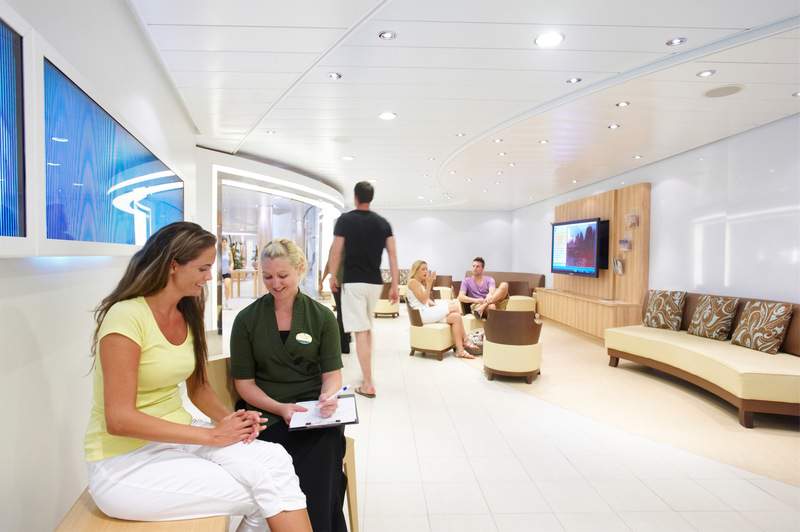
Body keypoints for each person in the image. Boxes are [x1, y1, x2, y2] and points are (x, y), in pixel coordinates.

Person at [84, 222, 311, 532]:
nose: (209, 277)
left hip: (177, 440)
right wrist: (212, 436)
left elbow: (199, 387)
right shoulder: (126, 317)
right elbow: (119, 420)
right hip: (125, 461)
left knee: (276, 460)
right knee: (268, 492)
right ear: (173, 265)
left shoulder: (187, 312)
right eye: (203, 268)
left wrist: (231, 421)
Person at [231, 239, 347, 532]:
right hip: (265, 413)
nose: (275, 284)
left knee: (326, 449)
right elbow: (244, 384)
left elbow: (332, 375)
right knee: (276, 459)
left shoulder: (321, 317)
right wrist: (280, 408)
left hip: (311, 412)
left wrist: (328, 395)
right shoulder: (246, 320)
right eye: (268, 276)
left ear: (300, 269)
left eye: (283, 275)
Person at [327, 181, 398, 399]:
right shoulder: (383, 223)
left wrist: (332, 275)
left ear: (356, 197)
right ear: (371, 198)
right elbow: (393, 255)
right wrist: (395, 285)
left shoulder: (345, 220)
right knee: (366, 329)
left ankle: (368, 383)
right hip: (375, 283)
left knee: (361, 332)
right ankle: (367, 376)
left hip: (354, 282)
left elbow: (336, 251)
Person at [407, 260, 481, 359]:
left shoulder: (418, 283)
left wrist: (437, 306)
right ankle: (466, 339)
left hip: (426, 313)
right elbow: (423, 300)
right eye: (423, 269)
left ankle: (460, 350)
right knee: (455, 307)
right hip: (421, 315)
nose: (426, 272)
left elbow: (426, 300)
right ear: (415, 270)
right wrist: (429, 284)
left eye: (427, 269)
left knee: (456, 317)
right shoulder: (413, 282)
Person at [319, 243, 351, 354]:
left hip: (343, 283)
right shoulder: (344, 244)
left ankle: (344, 342)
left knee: (343, 313)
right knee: (344, 313)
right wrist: (322, 280)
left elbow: (329, 263)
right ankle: (344, 342)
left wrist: (323, 280)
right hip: (343, 284)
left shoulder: (339, 244)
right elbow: (330, 263)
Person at [221, 237, 234, 309]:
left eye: (225, 242)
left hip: (227, 272)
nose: (224, 243)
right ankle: (219, 303)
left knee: (227, 286)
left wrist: (231, 267)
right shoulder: (218, 252)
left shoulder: (229, 252)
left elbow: (232, 262)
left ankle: (227, 302)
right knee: (218, 287)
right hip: (219, 272)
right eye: (223, 242)